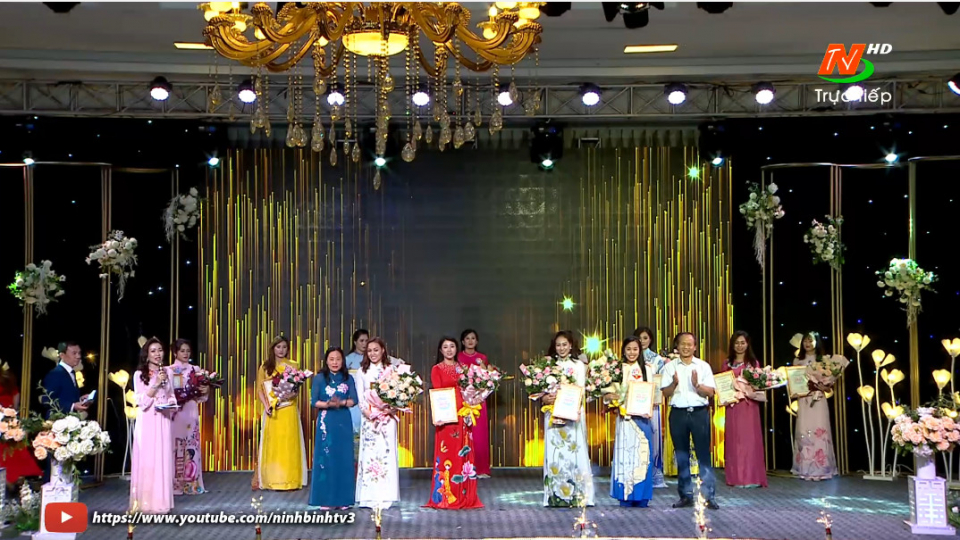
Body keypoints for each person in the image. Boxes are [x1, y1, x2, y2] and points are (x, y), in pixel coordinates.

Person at [660, 332, 719, 510]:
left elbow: (711, 392)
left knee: (703, 455)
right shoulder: (670, 367)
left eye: (689, 344)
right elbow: (665, 393)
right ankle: (685, 495)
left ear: (695, 347)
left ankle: (708, 496)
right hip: (678, 413)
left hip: (699, 413)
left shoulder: (703, 366)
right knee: (682, 455)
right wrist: (674, 384)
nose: (686, 347)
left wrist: (697, 385)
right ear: (677, 347)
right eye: (682, 344)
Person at [426, 337, 484, 509]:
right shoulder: (437, 369)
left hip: (463, 414)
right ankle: (446, 495)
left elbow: (470, 389)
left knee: (463, 454)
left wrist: (471, 404)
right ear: (441, 350)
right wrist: (442, 415)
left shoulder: (463, 368)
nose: (449, 350)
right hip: (447, 416)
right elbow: (438, 392)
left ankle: (464, 494)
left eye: (452, 346)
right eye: (445, 347)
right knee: (447, 455)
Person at [541, 331, 595, 507]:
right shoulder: (548, 365)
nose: (562, 348)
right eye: (558, 345)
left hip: (572, 414)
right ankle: (555, 495)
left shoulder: (579, 365)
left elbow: (581, 391)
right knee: (555, 453)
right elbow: (540, 391)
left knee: (575, 452)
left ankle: (579, 495)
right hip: (553, 413)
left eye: (565, 344)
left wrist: (567, 401)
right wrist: (545, 398)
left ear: (571, 345)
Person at [791, 332, 848, 481]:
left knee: (820, 431)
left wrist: (824, 386)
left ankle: (822, 468)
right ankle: (805, 468)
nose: (807, 344)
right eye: (805, 341)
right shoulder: (797, 361)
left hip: (819, 400)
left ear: (817, 343)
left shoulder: (824, 360)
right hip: (804, 400)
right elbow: (794, 381)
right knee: (804, 430)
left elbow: (829, 388)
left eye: (811, 341)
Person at [253, 335, 307, 491]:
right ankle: (273, 480)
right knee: (274, 446)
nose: (281, 350)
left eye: (284, 347)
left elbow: (296, 389)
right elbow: (260, 389)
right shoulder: (265, 367)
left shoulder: (293, 365)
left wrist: (291, 395)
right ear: (273, 348)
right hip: (273, 411)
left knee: (289, 444)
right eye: (278, 347)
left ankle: (291, 479)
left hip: (289, 409)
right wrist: (266, 406)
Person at [131, 338, 176, 514]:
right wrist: (156, 383)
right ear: (147, 355)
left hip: (163, 419)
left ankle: (161, 502)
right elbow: (142, 402)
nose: (158, 354)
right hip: (148, 420)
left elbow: (171, 394)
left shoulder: (168, 372)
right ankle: (145, 503)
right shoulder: (139, 375)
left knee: (163, 459)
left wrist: (171, 403)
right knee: (148, 460)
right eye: (153, 351)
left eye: (160, 350)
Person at [309, 347, 358, 508]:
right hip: (326, 421)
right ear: (326, 361)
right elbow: (314, 401)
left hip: (343, 421)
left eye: (338, 359)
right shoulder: (319, 378)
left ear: (343, 361)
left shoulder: (348, 378)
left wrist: (341, 403)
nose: (335, 362)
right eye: (331, 359)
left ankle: (344, 500)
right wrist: (328, 404)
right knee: (326, 458)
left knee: (344, 459)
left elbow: (354, 400)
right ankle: (326, 500)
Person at [354, 337, 400, 509]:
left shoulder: (391, 369)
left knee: (387, 454)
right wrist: (370, 414)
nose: (373, 353)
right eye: (369, 351)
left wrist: (391, 409)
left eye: (376, 350)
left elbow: (398, 394)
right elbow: (361, 398)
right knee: (370, 455)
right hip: (370, 420)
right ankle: (368, 496)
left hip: (388, 419)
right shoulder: (362, 372)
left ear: (382, 350)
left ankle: (387, 495)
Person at [611, 337, 655, 507]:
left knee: (642, 456)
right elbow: (609, 394)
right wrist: (613, 399)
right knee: (625, 456)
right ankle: (625, 496)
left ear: (640, 350)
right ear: (623, 350)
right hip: (624, 420)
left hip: (642, 419)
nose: (632, 352)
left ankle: (642, 496)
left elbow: (652, 393)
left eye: (635, 349)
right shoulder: (616, 369)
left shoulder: (647, 369)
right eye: (628, 349)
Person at [721, 331, 768, 488]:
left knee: (750, 441)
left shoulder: (753, 363)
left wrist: (748, 390)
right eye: (736, 343)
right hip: (733, 406)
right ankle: (736, 477)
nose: (739, 346)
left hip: (749, 406)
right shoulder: (727, 363)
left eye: (742, 343)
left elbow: (758, 385)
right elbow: (722, 384)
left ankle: (751, 477)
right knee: (734, 441)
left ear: (747, 344)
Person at [169, 338, 208, 495]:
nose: (185, 354)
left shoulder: (196, 370)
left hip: (191, 409)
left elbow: (202, 394)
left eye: (188, 351)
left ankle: (192, 484)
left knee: (192, 444)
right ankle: (175, 484)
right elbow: (170, 391)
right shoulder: (170, 370)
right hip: (176, 411)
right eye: (182, 351)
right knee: (176, 445)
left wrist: (204, 390)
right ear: (175, 352)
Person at [634, 326, 666, 488]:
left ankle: (654, 474)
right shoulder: (630, 357)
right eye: (639, 338)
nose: (642, 341)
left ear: (651, 339)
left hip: (652, 405)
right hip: (633, 405)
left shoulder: (657, 359)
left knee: (653, 436)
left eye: (645, 338)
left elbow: (662, 381)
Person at [457, 329, 491, 478]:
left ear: (476, 341)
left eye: (473, 338)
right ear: (462, 341)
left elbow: (487, 379)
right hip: (463, 401)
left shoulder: (482, 358)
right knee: (463, 433)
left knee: (479, 435)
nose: (470, 341)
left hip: (478, 401)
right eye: (467, 338)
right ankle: (463, 468)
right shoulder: (458, 357)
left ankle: (482, 469)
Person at [0, 364, 42, 483]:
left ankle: (11, 478)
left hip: (5, 416)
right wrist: (13, 411)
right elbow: (16, 397)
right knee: (12, 447)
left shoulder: (8, 379)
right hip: (8, 416)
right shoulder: (9, 379)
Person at [40, 341, 91, 417]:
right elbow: (47, 400)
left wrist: (81, 400)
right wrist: (72, 406)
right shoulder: (55, 373)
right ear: (62, 355)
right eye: (74, 353)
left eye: (79, 353)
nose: (78, 356)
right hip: (57, 420)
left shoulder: (71, 373)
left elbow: (66, 397)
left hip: (69, 420)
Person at [345, 329, 369, 435]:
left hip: (368, 398)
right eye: (361, 341)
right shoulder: (348, 359)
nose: (364, 344)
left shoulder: (372, 358)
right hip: (354, 398)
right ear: (355, 342)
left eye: (366, 341)